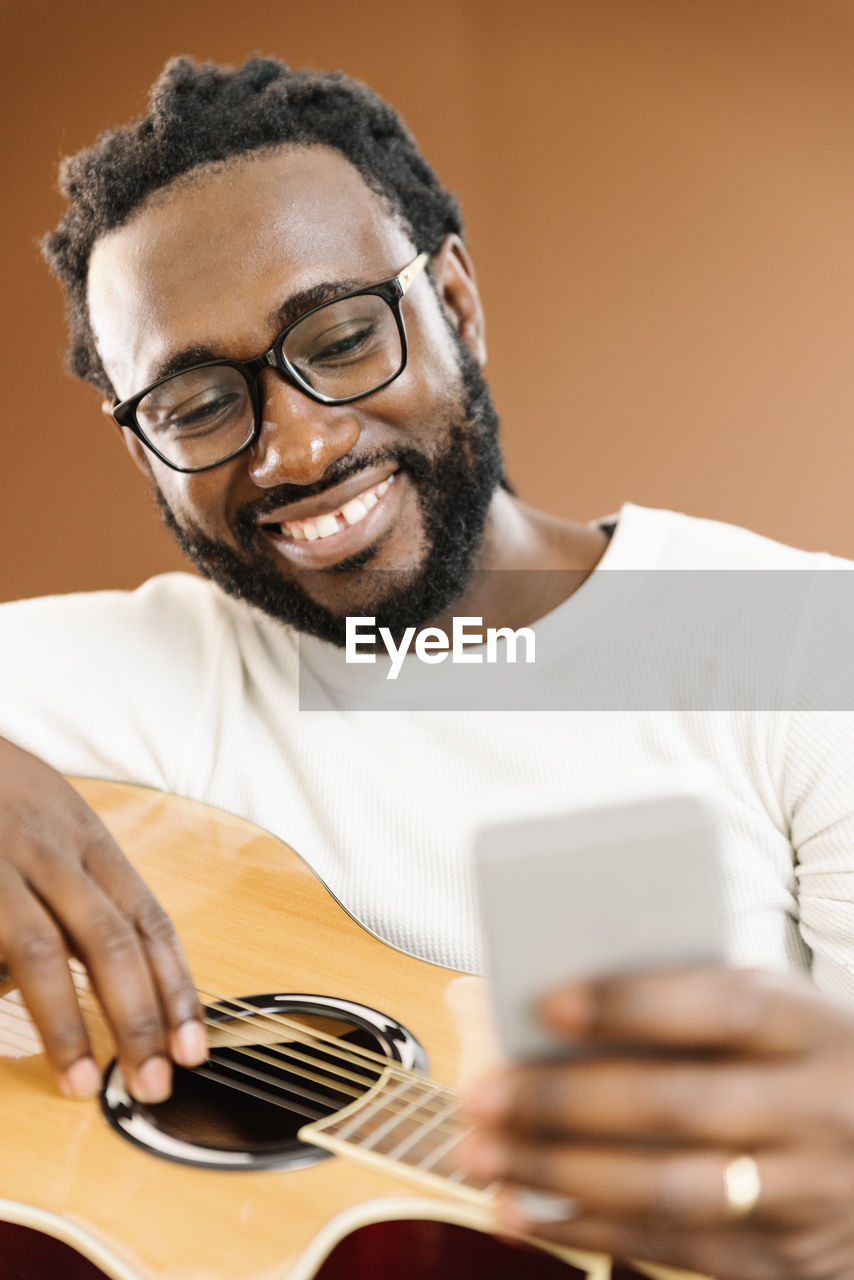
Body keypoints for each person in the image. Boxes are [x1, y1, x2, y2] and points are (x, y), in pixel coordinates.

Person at [2, 54, 854, 1278]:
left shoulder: (804, 647)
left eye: (341, 338)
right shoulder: (116, 672)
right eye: (195, 407)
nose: (296, 445)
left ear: (453, 302)